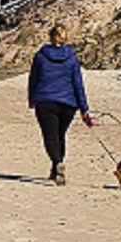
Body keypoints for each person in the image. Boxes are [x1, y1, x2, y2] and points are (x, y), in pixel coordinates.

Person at [26, 24, 95, 186]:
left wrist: (31, 98)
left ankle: (57, 162)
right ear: (65, 38)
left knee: (50, 136)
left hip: (45, 101)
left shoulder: (41, 56)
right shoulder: (72, 58)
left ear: (50, 37)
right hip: (68, 104)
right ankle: (56, 168)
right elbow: (78, 84)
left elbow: (33, 79)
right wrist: (84, 108)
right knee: (60, 135)